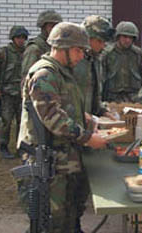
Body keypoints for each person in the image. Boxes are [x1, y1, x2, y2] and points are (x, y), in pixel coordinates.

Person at [18, 22, 108, 233]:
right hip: (48, 163)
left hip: (62, 159)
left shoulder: (61, 73)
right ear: (62, 48)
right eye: (78, 50)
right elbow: (53, 117)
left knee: (68, 217)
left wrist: (84, 117)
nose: (80, 56)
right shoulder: (44, 74)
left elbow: (63, 108)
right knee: (50, 221)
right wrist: (87, 138)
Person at [0, 25, 29, 159]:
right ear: (13, 38)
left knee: (22, 122)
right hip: (6, 93)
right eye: (18, 37)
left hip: (22, 92)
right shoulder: (3, 52)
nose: (21, 40)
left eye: (23, 38)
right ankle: (3, 146)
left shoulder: (27, 52)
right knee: (6, 121)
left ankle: (21, 147)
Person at [73, 15, 115, 119]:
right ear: (87, 39)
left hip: (87, 122)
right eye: (100, 41)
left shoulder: (95, 60)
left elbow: (94, 94)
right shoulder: (73, 61)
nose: (103, 46)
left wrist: (103, 111)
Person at [101, 21, 142, 102]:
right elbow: (100, 79)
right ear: (118, 37)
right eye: (124, 36)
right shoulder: (107, 54)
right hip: (112, 98)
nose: (127, 40)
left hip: (134, 97)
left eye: (130, 37)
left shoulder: (138, 54)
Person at [21, 10, 62, 81]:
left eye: (57, 26)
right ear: (43, 27)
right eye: (52, 26)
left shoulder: (55, 46)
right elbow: (27, 76)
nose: (55, 29)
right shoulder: (34, 48)